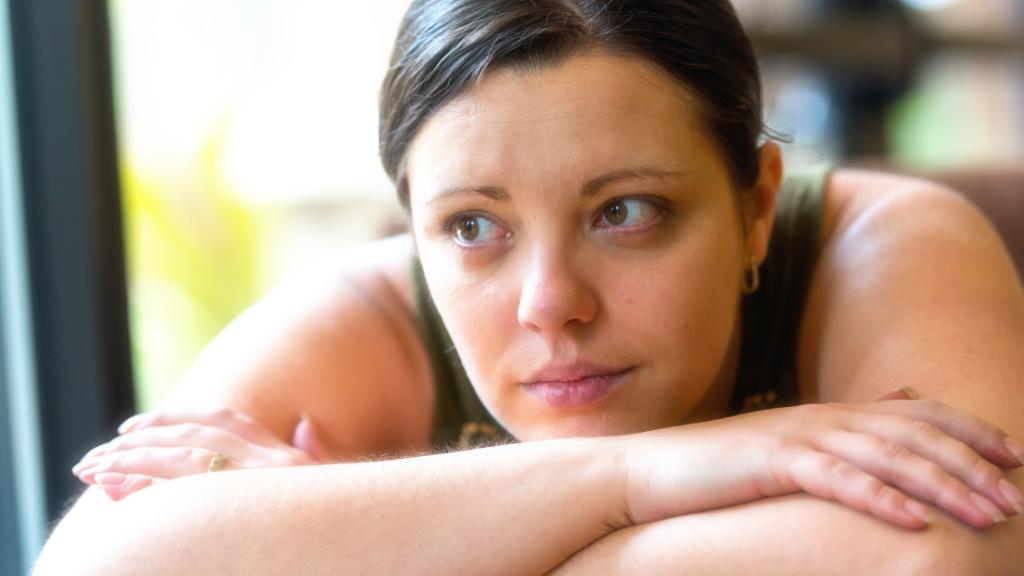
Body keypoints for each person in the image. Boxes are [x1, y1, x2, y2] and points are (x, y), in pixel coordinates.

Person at [34, 0, 1024, 574]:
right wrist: (640, 476)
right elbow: (94, 567)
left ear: (755, 204)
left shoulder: (880, 241)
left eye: (625, 212)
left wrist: (369, 544)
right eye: (472, 228)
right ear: (415, 227)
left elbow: (945, 552)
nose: (549, 302)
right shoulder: (364, 313)